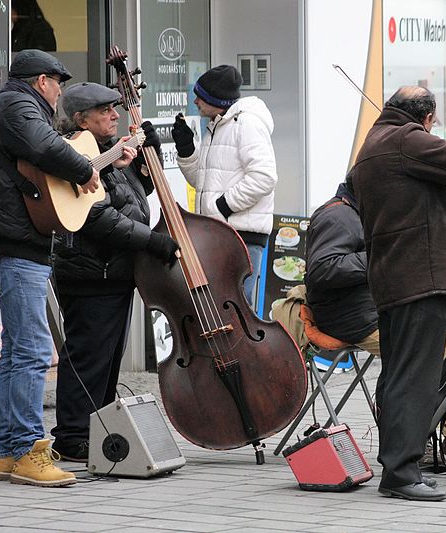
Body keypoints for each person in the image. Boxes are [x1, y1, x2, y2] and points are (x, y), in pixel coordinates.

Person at [0, 49, 101, 487]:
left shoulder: (11, 107)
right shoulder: (19, 104)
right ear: (42, 80)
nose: (60, 91)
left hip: (12, 246)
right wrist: (85, 168)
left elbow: (42, 160)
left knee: (16, 354)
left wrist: (91, 164)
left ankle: (7, 453)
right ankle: (29, 450)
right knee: (32, 353)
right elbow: (45, 147)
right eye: (58, 83)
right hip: (15, 249)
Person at [351, 86, 446, 501]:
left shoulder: (371, 146)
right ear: (426, 118)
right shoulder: (405, 140)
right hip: (419, 280)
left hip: (394, 281)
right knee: (415, 379)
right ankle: (400, 473)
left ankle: (399, 465)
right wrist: (434, 137)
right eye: (433, 123)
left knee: (397, 376)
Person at [304, 178, 446, 468]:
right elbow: (323, 270)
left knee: (443, 340)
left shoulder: (361, 214)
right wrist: (383, 256)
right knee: (439, 346)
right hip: (351, 318)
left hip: (374, 310)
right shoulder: (338, 217)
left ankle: (429, 435)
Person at [49, 82, 179, 462]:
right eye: (104, 110)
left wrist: (145, 162)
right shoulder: (73, 157)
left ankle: (93, 432)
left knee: (106, 360)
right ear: (80, 119)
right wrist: (151, 242)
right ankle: (72, 436)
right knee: (88, 357)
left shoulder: (105, 155)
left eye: (115, 107)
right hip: (92, 273)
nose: (114, 115)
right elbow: (97, 216)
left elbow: (132, 198)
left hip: (113, 272)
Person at [172, 65, 277, 309]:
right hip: (221, 234)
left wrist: (223, 207)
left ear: (215, 99)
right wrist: (186, 150)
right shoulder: (218, 125)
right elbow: (204, 183)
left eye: (201, 96)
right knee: (218, 310)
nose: (195, 100)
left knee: (236, 311)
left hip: (240, 237)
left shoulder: (246, 124)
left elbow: (264, 177)